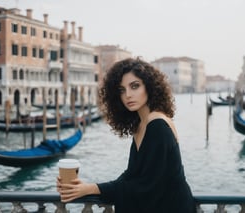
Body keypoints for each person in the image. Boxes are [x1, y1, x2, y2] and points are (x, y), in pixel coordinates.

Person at [57, 57, 197, 213]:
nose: (128, 95)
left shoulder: (157, 125)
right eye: (122, 90)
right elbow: (131, 176)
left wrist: (92, 188)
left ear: (149, 87)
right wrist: (84, 188)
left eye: (134, 86)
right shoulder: (141, 125)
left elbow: (146, 186)